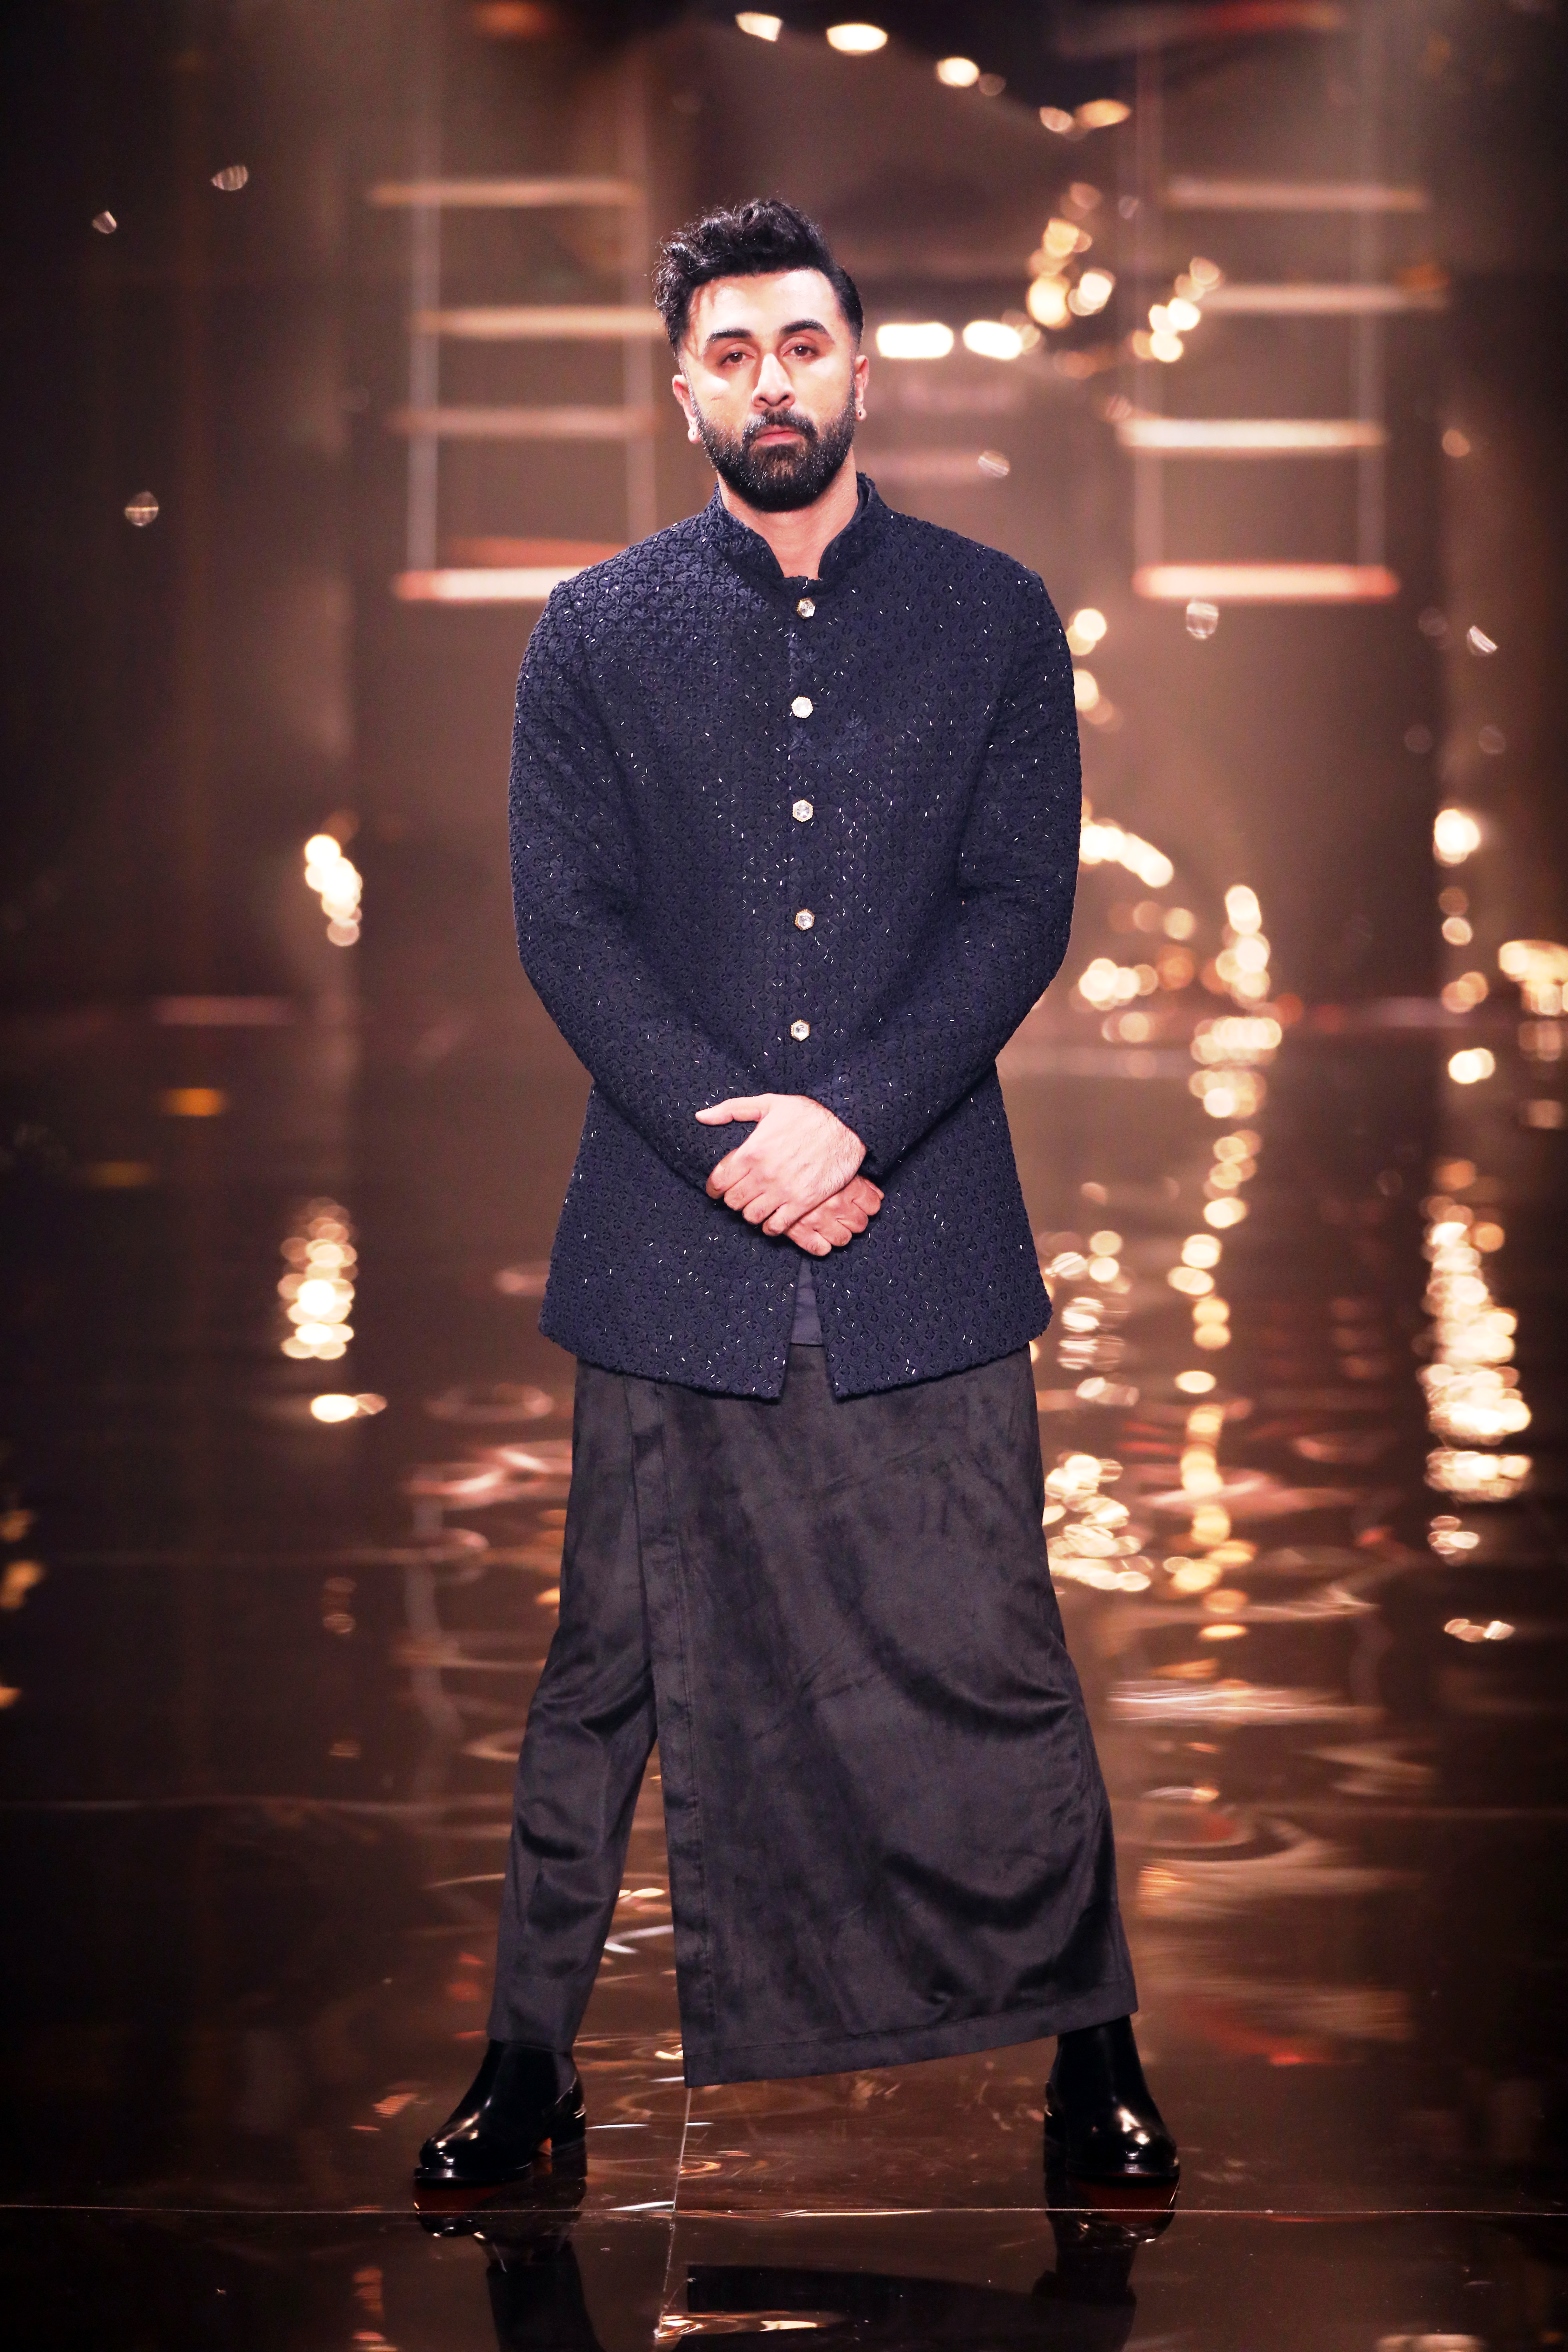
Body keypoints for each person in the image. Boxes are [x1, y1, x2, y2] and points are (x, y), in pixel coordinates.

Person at [415, 199, 1175, 2198]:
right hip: (672, 1233)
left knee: (995, 1642)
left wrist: (850, 1125)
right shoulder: (593, 629)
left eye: (802, 345)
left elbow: (1017, 905)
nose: (771, 382)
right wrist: (734, 1144)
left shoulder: (993, 615)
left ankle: (1094, 2052)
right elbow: (567, 925)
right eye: (733, 352)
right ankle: (524, 2062)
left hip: (922, 1216)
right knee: (606, 1662)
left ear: (861, 369)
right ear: (684, 390)